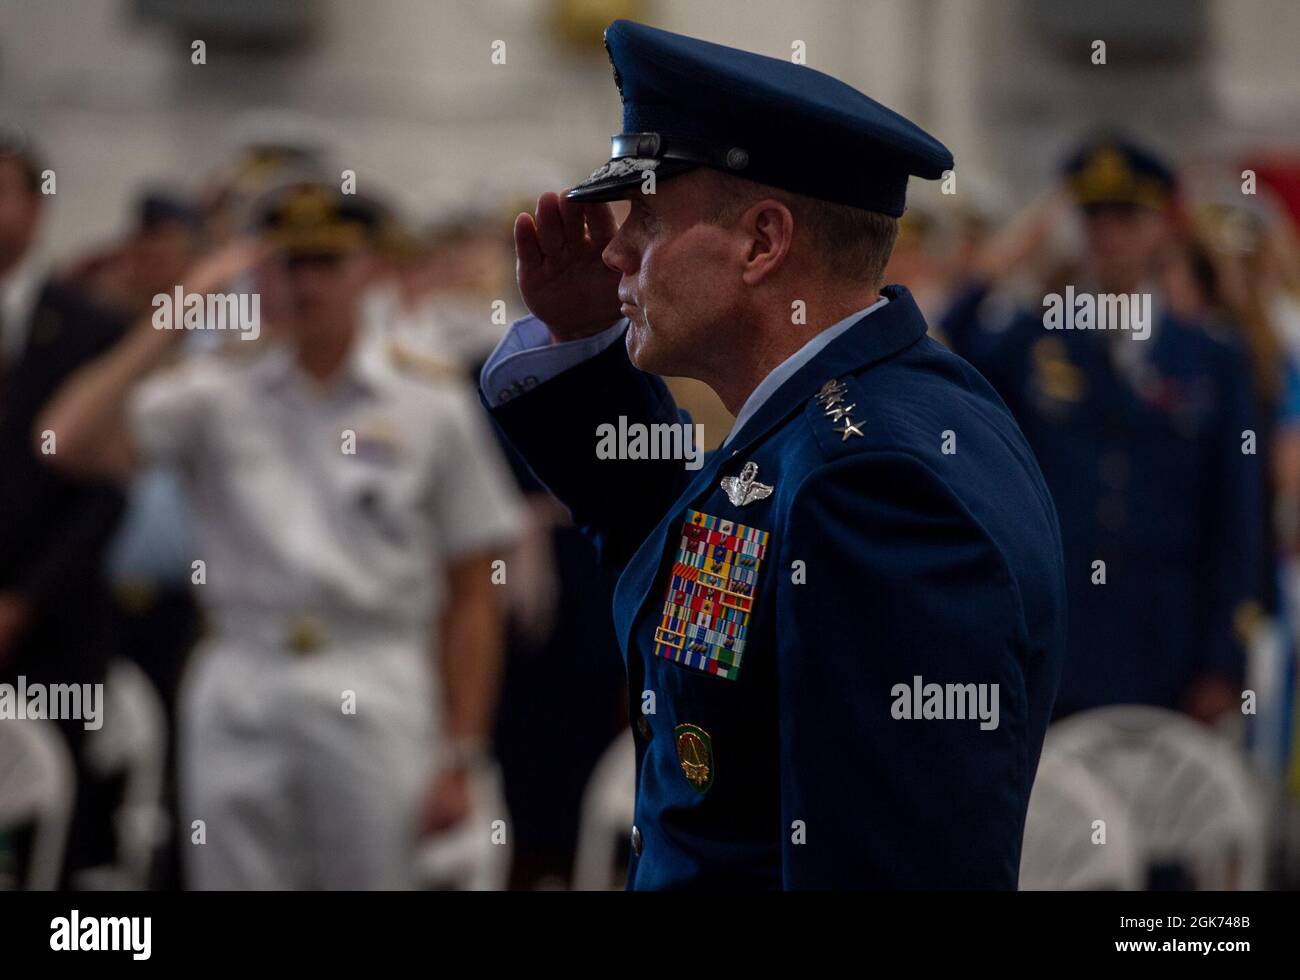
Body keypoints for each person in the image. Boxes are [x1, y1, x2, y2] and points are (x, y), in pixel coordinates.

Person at [479, 20, 1066, 889]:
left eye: (646, 216)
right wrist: (585, 345)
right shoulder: (863, 407)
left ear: (762, 243)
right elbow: (701, 565)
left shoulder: (871, 484)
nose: (612, 250)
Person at [40, 181, 523, 889]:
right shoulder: (216, 393)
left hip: (373, 673)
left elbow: (474, 593)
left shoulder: (428, 400)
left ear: (367, 269)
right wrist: (178, 310)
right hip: (242, 670)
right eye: (287, 264)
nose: (305, 284)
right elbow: (63, 440)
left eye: (326, 263)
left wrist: (462, 754)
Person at [941, 134, 1265, 724]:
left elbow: (1239, 515)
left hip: (1172, 644)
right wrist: (1027, 234)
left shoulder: (1211, 355)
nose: (1108, 233)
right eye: (1092, 216)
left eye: (1127, 217)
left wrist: (1225, 658)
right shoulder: (1039, 338)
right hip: (1062, 641)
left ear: (1162, 227)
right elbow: (954, 328)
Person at [0, 133, 129, 884]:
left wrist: (23, 600)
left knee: (60, 828)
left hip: (53, 623)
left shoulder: (89, 328)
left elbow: (106, 493)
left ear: (38, 207)